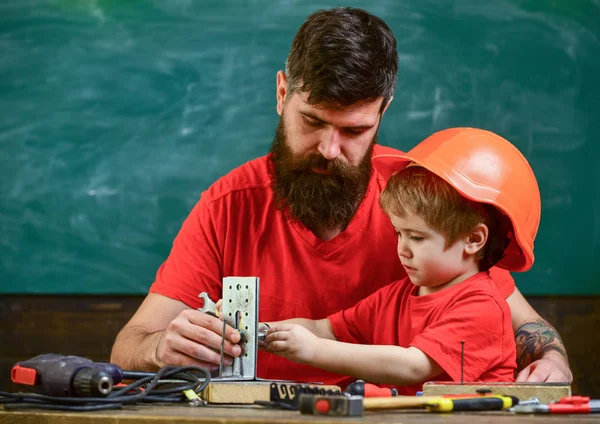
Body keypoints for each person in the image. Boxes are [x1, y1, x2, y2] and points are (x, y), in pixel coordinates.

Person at [110, 7, 571, 386]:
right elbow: (128, 348)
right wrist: (159, 348)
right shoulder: (227, 206)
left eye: (354, 130)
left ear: (383, 111)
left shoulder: (425, 196)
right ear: (282, 93)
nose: (329, 151)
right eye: (312, 122)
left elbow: (520, 324)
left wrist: (553, 360)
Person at [261, 127, 533, 394]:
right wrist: (258, 331)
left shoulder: (481, 307)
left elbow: (413, 366)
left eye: (416, 237)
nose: (402, 249)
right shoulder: (396, 297)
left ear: (473, 240)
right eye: (398, 233)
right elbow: (324, 329)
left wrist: (313, 350)